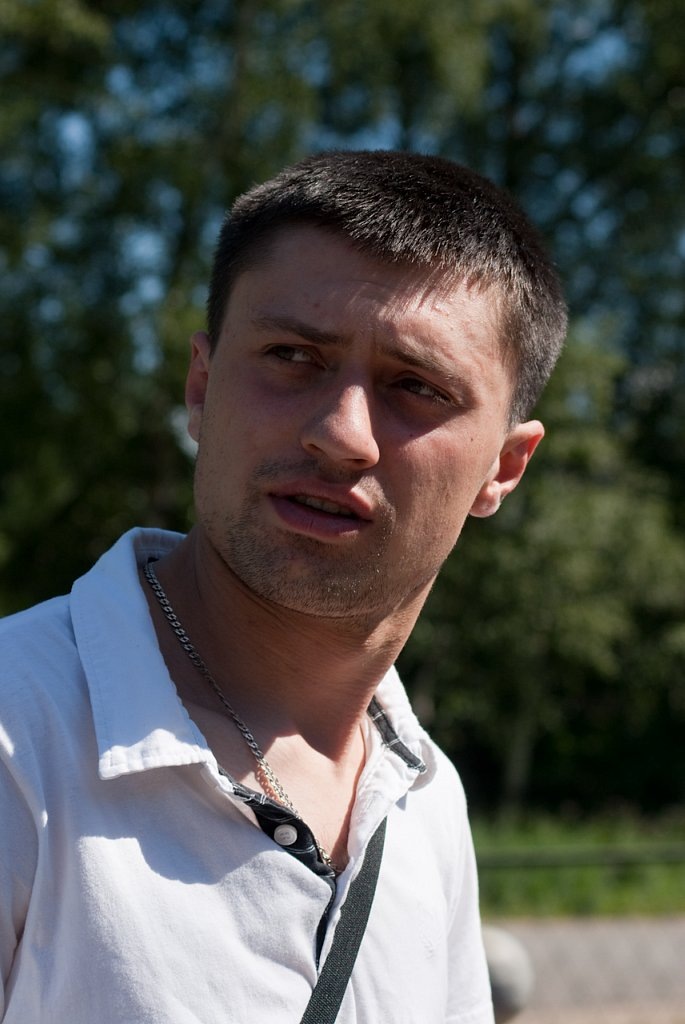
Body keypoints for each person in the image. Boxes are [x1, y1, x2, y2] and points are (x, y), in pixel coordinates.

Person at [0, 150, 567, 1024]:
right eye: (293, 355)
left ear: (503, 467)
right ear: (199, 387)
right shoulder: (19, 737)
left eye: (416, 387)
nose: (342, 434)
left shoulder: (423, 799)